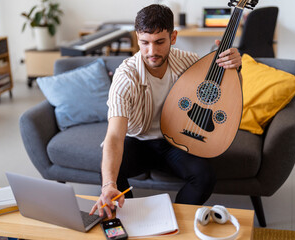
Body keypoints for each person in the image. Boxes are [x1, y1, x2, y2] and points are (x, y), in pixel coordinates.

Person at [90, 4, 242, 218]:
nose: (152, 51)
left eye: (160, 42)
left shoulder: (187, 61)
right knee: (110, 172)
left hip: (175, 141)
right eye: (145, 43)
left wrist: (233, 66)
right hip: (138, 140)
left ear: (173, 37)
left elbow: (221, 90)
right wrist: (108, 185)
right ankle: (130, 219)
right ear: (137, 39)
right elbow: (114, 136)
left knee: (204, 176)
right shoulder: (126, 77)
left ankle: (176, 219)